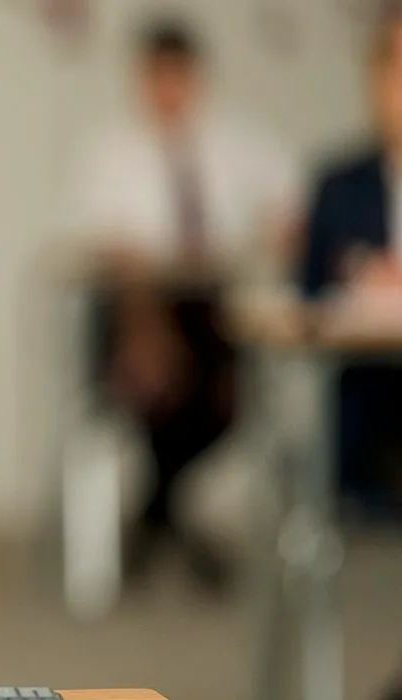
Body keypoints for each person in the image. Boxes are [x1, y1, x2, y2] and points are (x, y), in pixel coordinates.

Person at [68, 16, 301, 594]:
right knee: (154, 379)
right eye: (157, 77)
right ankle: (170, 522)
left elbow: (289, 211)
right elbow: (101, 248)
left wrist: (268, 237)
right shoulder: (110, 149)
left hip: (215, 312)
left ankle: (155, 516)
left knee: (228, 395)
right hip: (137, 313)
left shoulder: (239, 141)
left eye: (179, 76)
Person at [299, 8, 402, 524]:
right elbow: (309, 288)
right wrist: (360, 272)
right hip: (364, 384)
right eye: (395, 66)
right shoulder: (338, 185)